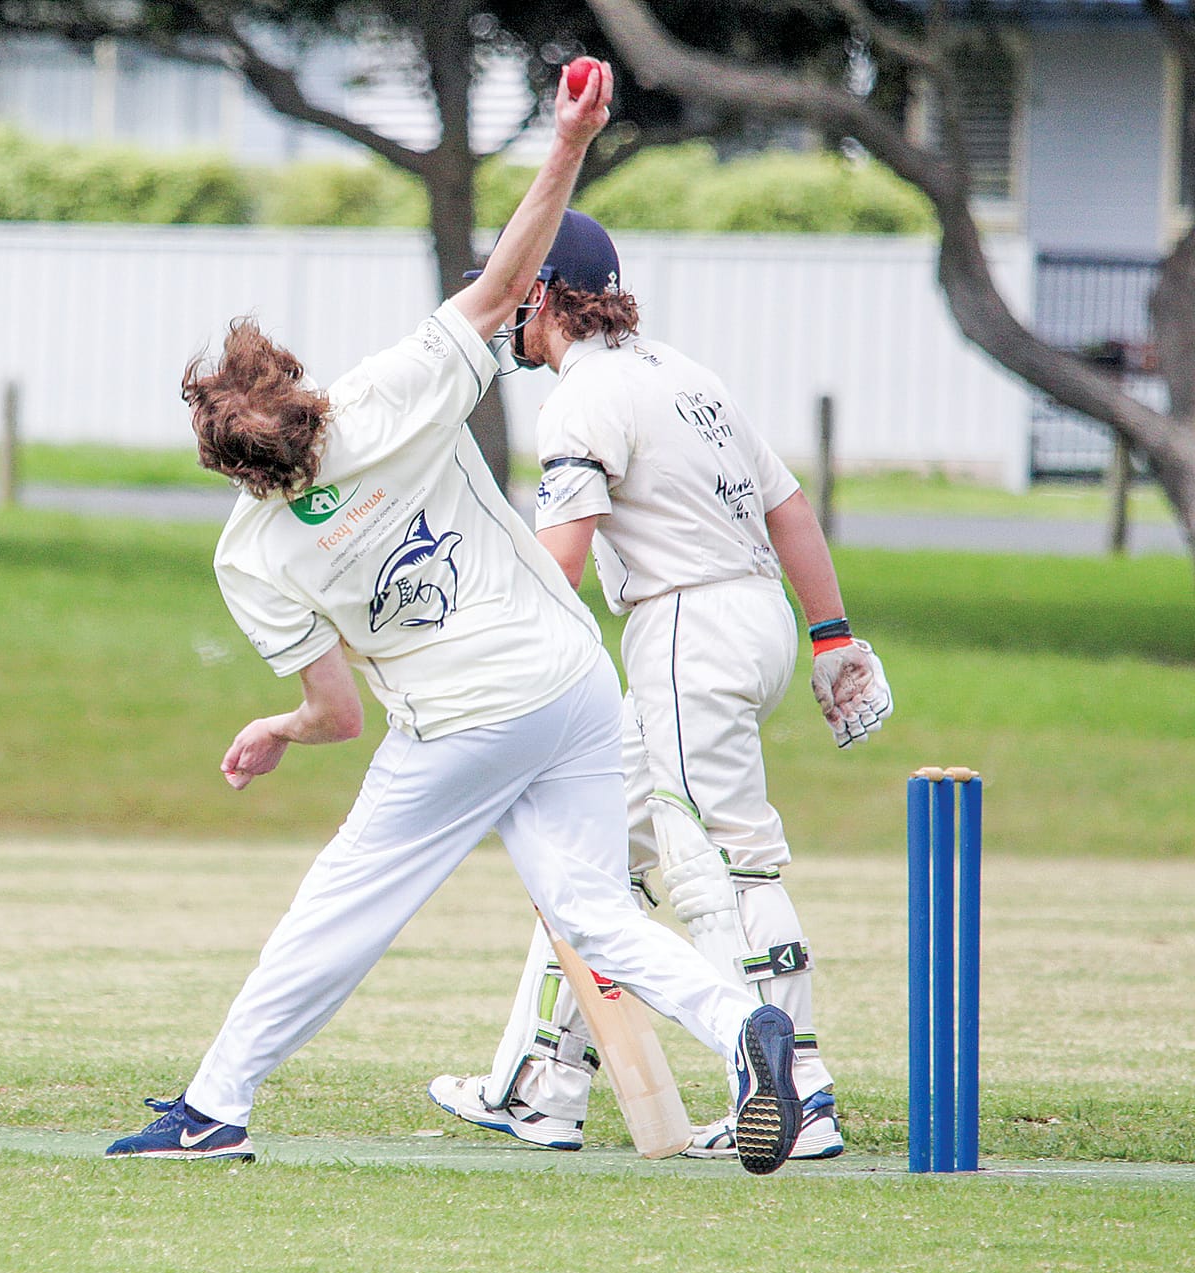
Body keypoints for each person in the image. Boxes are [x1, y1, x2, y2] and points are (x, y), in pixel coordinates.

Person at [104, 66, 803, 1177]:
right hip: (574, 682)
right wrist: (569, 138)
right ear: (300, 388)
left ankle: (212, 1104)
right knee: (588, 907)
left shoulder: (250, 552)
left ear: (229, 466)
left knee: (340, 905)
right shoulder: (384, 393)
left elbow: (335, 710)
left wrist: (282, 729)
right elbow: (520, 268)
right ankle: (742, 1027)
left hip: (466, 715)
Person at [425, 209, 893, 1160]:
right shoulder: (687, 375)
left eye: (516, 287)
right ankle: (541, 1086)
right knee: (592, 861)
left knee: (722, 857)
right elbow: (787, 506)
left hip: (686, 628)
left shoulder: (580, 396)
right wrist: (831, 630)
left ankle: (796, 1092)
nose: (503, 305)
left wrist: (473, 641)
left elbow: (563, 557)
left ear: (547, 294)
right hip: (749, 614)